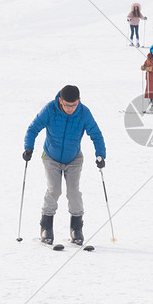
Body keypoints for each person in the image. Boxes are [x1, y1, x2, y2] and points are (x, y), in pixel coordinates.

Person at [23, 85, 106, 246]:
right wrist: (28, 147)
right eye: (67, 105)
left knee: (73, 192)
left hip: (74, 158)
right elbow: (33, 128)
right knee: (54, 189)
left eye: (73, 105)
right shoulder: (50, 109)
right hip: (51, 157)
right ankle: (46, 226)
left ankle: (77, 228)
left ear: (79, 101)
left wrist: (100, 154)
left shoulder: (84, 113)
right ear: (60, 100)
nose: (70, 109)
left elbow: (96, 134)